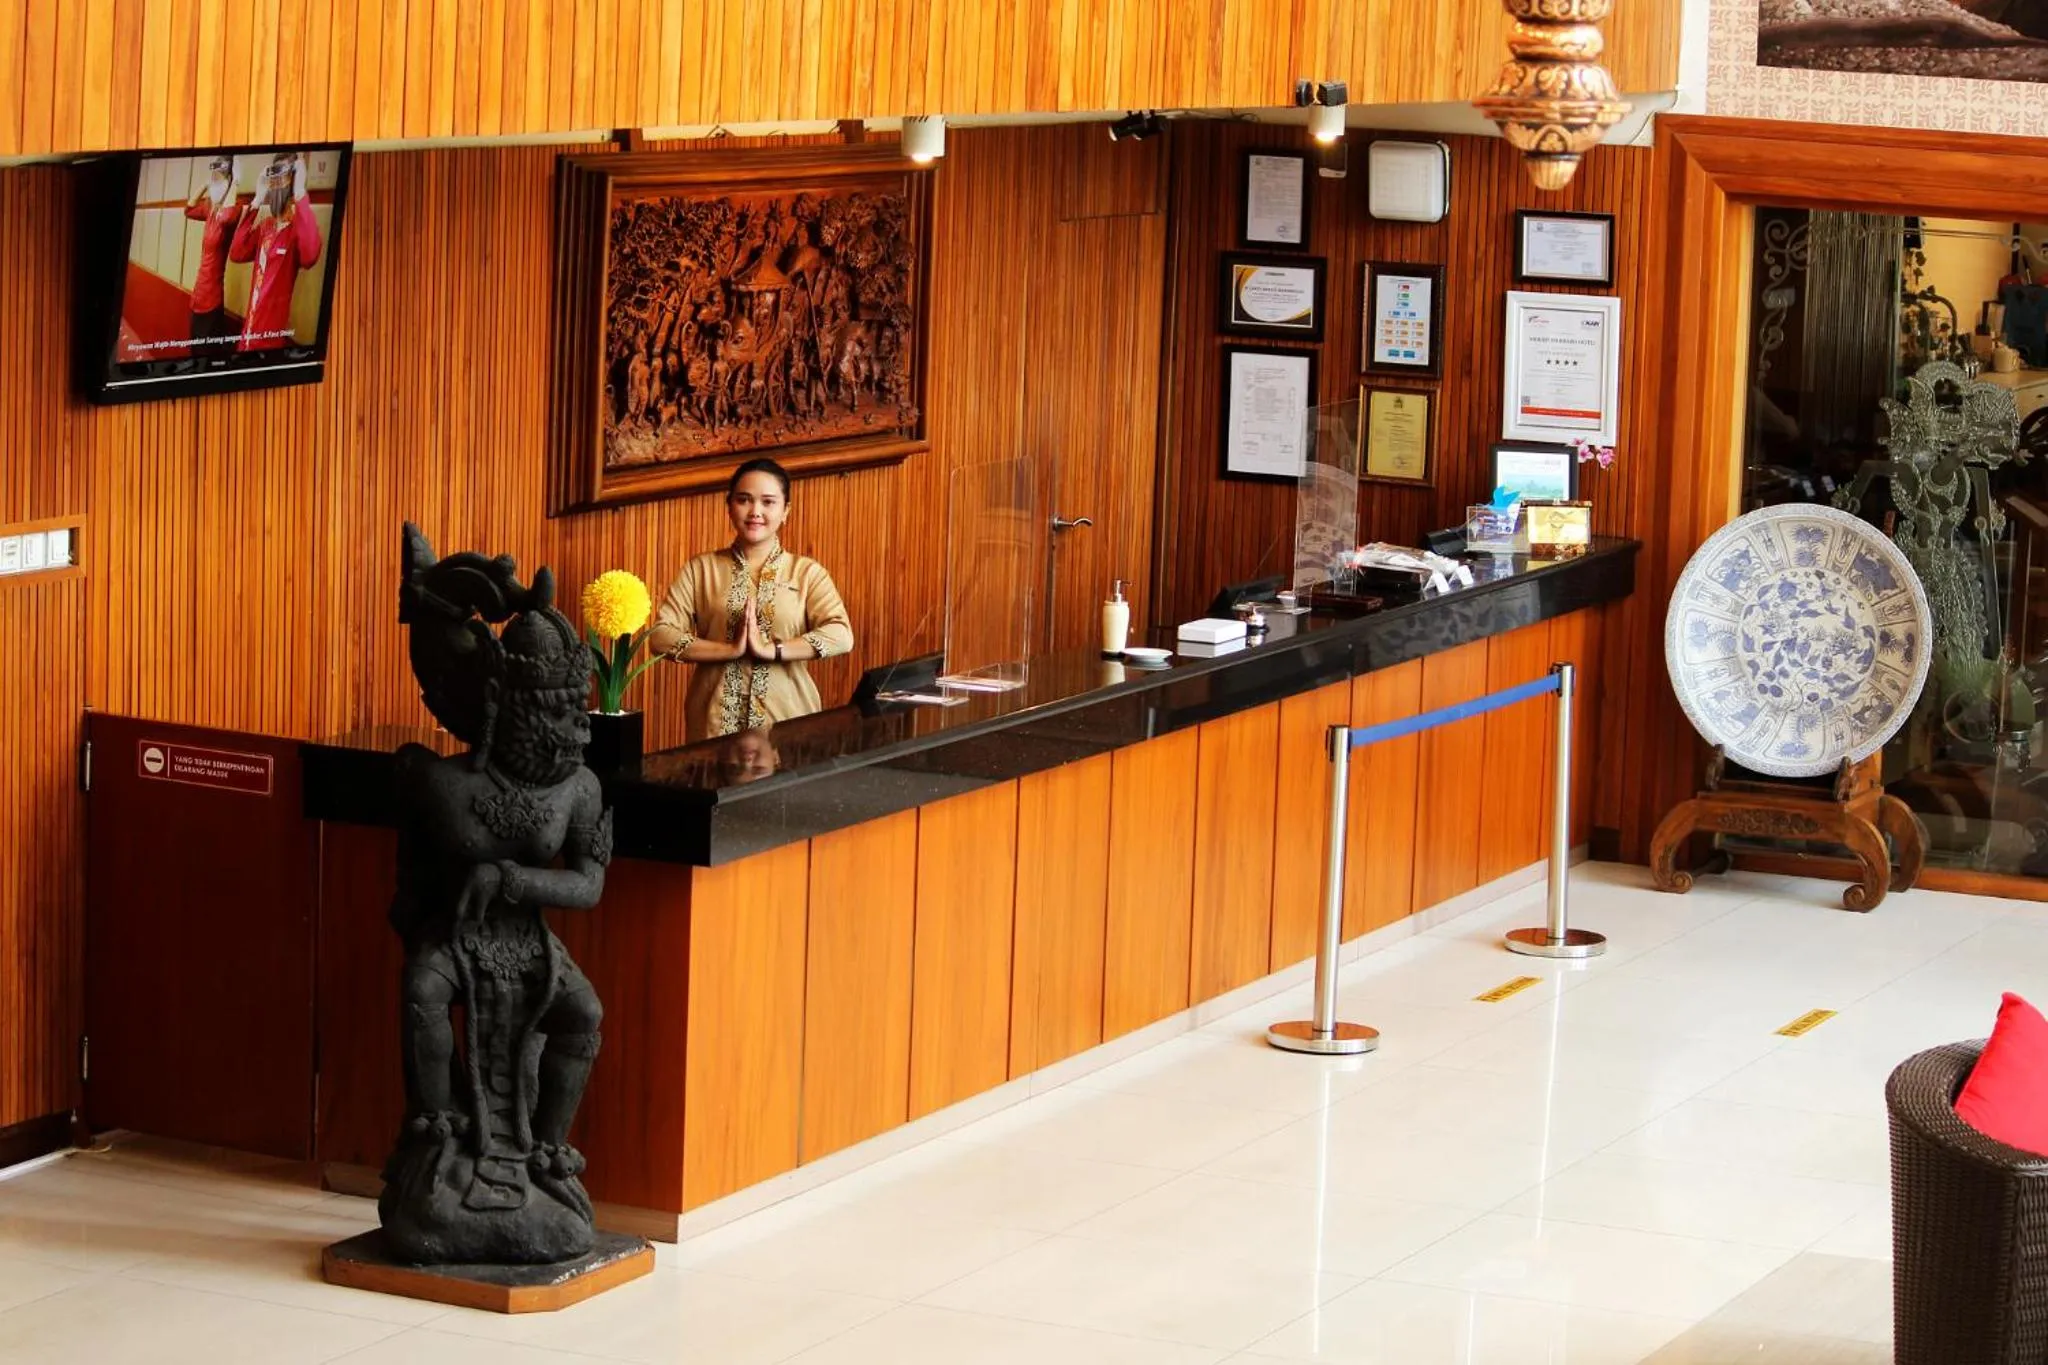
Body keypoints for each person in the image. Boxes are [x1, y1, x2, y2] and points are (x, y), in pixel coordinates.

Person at [647, 458, 854, 742]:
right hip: (714, 723)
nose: (755, 511)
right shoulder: (701, 569)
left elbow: (841, 635)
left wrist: (772, 650)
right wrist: (729, 650)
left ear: (786, 511)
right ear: (729, 506)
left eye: (768, 502)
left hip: (788, 722)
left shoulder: (806, 573)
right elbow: (660, 637)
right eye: (744, 500)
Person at [228, 153, 324, 353]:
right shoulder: (266, 226)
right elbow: (236, 253)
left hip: (269, 342)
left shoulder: (296, 230)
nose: (277, 184)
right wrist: (257, 200)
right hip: (247, 336)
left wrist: (300, 193)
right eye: (274, 177)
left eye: (284, 177)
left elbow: (310, 256)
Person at [181, 155, 245, 351]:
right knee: (194, 348)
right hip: (199, 291)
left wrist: (235, 181)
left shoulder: (235, 207)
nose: (215, 182)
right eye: (213, 177)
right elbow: (188, 210)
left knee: (206, 351)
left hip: (212, 295)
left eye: (219, 177)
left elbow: (226, 217)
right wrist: (205, 183)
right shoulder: (210, 208)